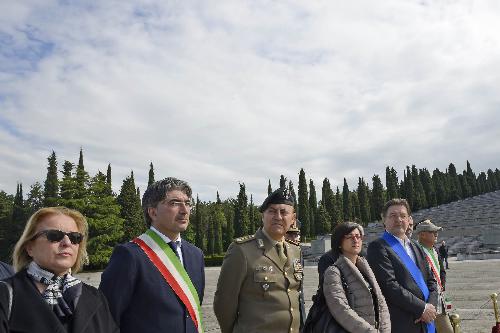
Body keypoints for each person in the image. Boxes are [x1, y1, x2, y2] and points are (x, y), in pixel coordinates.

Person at [100, 177, 205, 333]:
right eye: (174, 203)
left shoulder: (196, 254)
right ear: (153, 212)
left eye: (188, 203)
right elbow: (106, 318)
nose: (184, 210)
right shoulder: (130, 255)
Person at [0, 207, 118, 333]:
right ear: (30, 247)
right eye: (54, 235)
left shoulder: (96, 297)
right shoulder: (5, 295)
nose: (67, 242)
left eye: (75, 237)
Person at [213, 188, 303, 333]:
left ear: (293, 219)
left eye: (284, 212)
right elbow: (224, 303)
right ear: (263, 216)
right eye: (272, 211)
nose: (278, 217)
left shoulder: (296, 250)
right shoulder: (241, 250)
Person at [367, 198, 438, 333]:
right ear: (384, 220)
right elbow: (389, 286)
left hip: (427, 320)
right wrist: (421, 309)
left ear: (409, 219)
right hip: (403, 323)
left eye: (403, 216)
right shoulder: (378, 247)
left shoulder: (417, 246)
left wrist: (431, 308)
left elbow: (431, 280)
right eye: (393, 216)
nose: (398, 219)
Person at [322, 222, 391, 332]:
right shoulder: (333, 272)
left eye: (358, 236)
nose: (356, 240)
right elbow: (341, 309)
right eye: (350, 237)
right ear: (339, 242)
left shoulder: (366, 268)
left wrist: (385, 330)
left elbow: (381, 301)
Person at [416, 220, 452, 333]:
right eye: (432, 231)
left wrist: (442, 285)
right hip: (426, 302)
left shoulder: (435, 250)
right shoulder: (416, 251)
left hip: (439, 298)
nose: (436, 234)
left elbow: (441, 270)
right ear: (422, 234)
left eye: (436, 231)